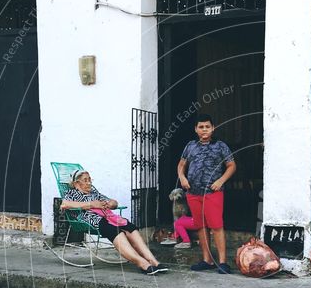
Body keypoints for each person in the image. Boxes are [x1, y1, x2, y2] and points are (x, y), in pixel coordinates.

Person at [61, 169, 168, 275]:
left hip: (108, 217)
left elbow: (112, 202)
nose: (89, 182)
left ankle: (152, 260)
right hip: (90, 219)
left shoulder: (94, 192)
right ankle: (142, 263)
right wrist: (91, 205)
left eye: (90, 179)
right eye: (85, 180)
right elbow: (64, 204)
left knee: (130, 227)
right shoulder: (71, 193)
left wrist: (112, 204)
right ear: (76, 183)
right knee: (115, 231)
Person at [177, 113, 236, 273]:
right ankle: (207, 260)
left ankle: (222, 262)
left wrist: (221, 181)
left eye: (207, 127)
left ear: (213, 128)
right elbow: (181, 165)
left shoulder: (220, 146)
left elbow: (231, 165)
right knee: (200, 226)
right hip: (193, 193)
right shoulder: (190, 146)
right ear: (196, 129)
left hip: (212, 193)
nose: (204, 130)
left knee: (216, 226)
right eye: (201, 127)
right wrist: (182, 178)